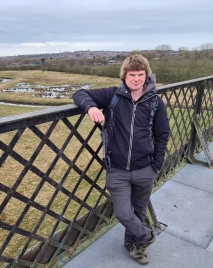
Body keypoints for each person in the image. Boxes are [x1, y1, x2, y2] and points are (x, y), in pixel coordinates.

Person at [72, 54, 170, 265]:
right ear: (124, 76)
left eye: (140, 74)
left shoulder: (155, 102)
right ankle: (147, 237)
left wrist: (156, 164)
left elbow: (163, 134)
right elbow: (80, 93)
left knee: (139, 212)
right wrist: (91, 107)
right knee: (124, 213)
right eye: (131, 74)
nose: (136, 78)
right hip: (117, 169)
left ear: (147, 76)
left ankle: (134, 246)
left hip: (145, 168)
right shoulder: (112, 96)